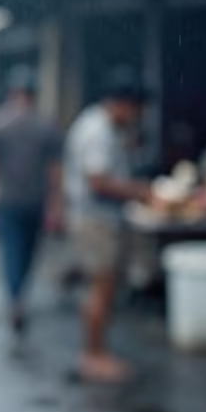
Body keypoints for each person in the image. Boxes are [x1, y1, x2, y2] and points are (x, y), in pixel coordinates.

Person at [64, 68, 153, 382]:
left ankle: (96, 351)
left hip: (100, 219)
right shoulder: (98, 130)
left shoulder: (104, 126)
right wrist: (142, 191)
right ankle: (93, 354)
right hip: (96, 220)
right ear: (124, 103)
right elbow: (98, 181)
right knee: (101, 288)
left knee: (103, 287)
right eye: (136, 109)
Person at [0, 67, 63, 334]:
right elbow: (54, 170)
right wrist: (56, 203)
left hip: (6, 198)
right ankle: (20, 295)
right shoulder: (46, 124)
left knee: (11, 250)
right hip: (35, 199)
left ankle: (15, 297)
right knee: (28, 251)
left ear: (12, 92)